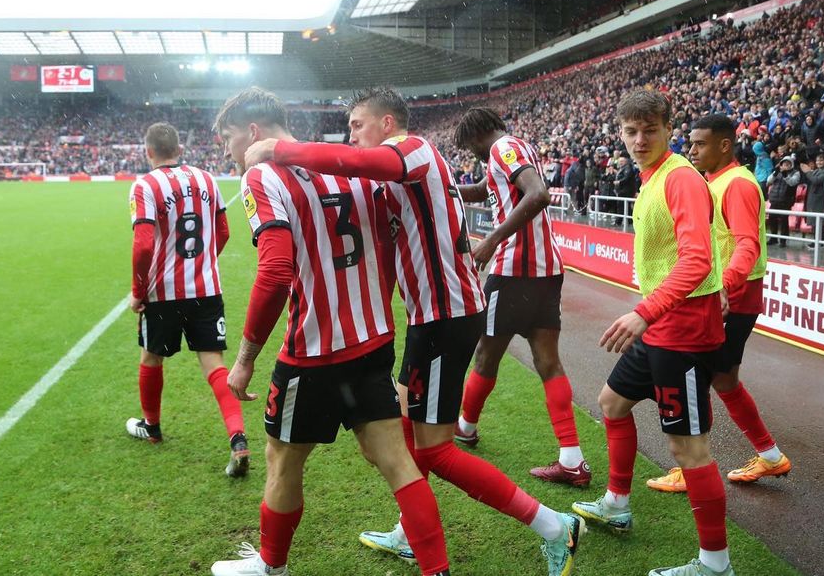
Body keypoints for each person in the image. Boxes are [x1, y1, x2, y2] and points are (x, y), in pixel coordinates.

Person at [244, 88, 584, 576]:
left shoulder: (413, 149)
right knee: (402, 432)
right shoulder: (399, 170)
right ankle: (409, 530)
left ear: (387, 123)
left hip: (446, 318)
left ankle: (554, 526)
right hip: (430, 318)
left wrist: (279, 148)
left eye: (357, 125)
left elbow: (347, 162)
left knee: (436, 450)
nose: (351, 136)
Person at [210, 88, 452, 576]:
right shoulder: (351, 164)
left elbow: (275, 272)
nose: (228, 151)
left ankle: (271, 566)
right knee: (396, 461)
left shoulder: (262, 175)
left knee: (282, 459)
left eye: (228, 139)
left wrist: (245, 358)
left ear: (253, 132)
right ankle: (437, 569)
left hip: (312, 351)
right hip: (373, 340)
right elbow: (388, 245)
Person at [572, 91, 734, 576]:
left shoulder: (680, 178)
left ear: (668, 130)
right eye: (631, 132)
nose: (639, 140)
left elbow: (696, 259)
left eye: (650, 130)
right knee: (611, 403)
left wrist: (645, 311)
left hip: (682, 332)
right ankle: (616, 504)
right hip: (662, 325)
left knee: (689, 450)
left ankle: (715, 565)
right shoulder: (652, 178)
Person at [646, 114, 791, 495]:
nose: (691, 150)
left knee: (696, 379)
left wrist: (722, 285)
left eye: (700, 144)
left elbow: (747, 245)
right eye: (690, 143)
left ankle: (690, 469)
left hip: (731, 300)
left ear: (725, 145)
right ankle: (770, 456)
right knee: (723, 380)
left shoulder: (737, 184)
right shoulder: (716, 181)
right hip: (730, 298)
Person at [451, 107, 590, 487]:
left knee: (486, 354)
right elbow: (485, 189)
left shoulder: (502, 148)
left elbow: (538, 195)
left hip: (515, 271)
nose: (473, 154)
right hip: (547, 270)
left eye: (469, 146)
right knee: (548, 361)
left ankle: (466, 427)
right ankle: (572, 458)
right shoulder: (515, 148)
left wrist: (493, 239)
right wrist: (445, 189)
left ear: (476, 135)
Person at [125, 123, 249, 477]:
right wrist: (202, 264)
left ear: (148, 151)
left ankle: (151, 426)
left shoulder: (145, 185)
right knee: (214, 364)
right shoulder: (207, 179)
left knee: (151, 357)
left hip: (162, 292)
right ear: (180, 149)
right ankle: (238, 438)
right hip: (206, 289)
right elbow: (223, 231)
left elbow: (144, 244)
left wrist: (138, 291)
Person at [765, 156, 800, 247]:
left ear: (791, 165)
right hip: (774, 199)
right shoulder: (777, 172)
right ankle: (773, 238)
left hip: (786, 200)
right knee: (772, 219)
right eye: (784, 164)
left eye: (788, 164)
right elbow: (769, 181)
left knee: (784, 221)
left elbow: (792, 182)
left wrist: (785, 175)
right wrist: (775, 173)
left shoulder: (796, 173)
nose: (786, 166)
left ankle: (783, 240)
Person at [800, 153, 824, 231]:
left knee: (819, 223)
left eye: (821, 160)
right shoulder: (816, 171)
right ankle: (815, 238)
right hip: (813, 199)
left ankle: (819, 239)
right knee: (814, 223)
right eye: (817, 161)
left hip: (820, 200)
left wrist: (808, 172)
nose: (818, 162)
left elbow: (816, 180)